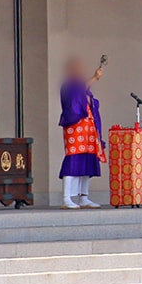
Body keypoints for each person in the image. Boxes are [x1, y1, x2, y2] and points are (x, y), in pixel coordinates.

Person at [58, 57, 106, 209]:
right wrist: (94, 78)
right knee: (74, 159)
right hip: (75, 129)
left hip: (88, 130)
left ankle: (84, 197)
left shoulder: (81, 87)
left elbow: (88, 99)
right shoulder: (68, 87)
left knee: (87, 160)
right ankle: (67, 198)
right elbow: (74, 102)